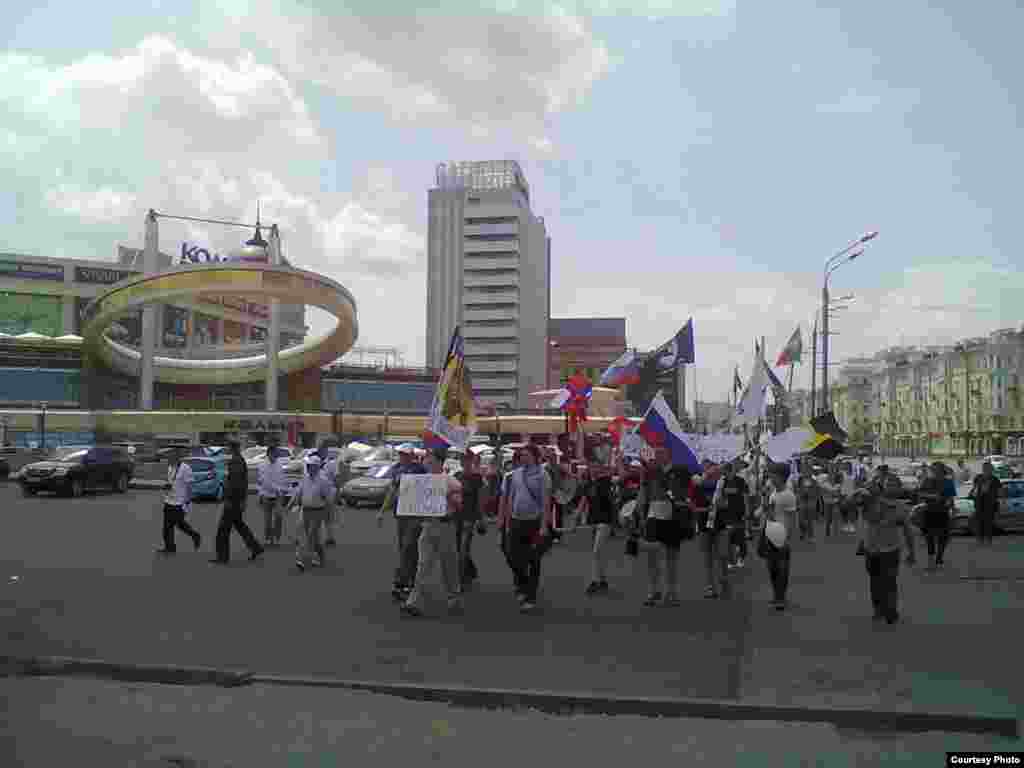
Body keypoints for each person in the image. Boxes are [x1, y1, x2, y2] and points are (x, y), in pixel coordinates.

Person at [401, 447, 464, 617]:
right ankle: (414, 602)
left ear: (438, 460)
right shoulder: (421, 481)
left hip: (445, 526)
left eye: (429, 458)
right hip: (428, 525)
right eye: (427, 458)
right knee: (423, 565)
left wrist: (448, 496)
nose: (426, 461)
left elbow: (459, 505)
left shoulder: (450, 481)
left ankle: (454, 597)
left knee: (448, 564)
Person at [855, 473, 917, 623]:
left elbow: (908, 531)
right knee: (875, 581)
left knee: (890, 581)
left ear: (899, 489)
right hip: (871, 549)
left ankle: (890, 610)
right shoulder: (870, 500)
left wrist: (912, 552)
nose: (890, 487)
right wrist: (861, 490)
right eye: (888, 484)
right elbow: (850, 504)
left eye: (894, 485)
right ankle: (878, 608)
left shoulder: (901, 508)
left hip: (891, 550)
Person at [502, 443, 552, 613]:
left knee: (533, 559)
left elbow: (546, 502)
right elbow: (510, 499)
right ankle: (523, 584)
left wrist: (544, 526)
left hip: (534, 521)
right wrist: (507, 522)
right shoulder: (515, 475)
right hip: (516, 520)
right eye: (522, 455)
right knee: (512, 556)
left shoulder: (542, 475)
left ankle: (530, 596)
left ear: (535, 456)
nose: (523, 458)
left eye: (526, 455)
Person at [636, 446, 689, 607]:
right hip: (653, 514)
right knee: (651, 554)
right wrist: (639, 511)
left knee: (671, 556)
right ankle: (654, 590)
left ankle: (671, 592)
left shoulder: (680, 471)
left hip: (673, 516)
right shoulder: (650, 472)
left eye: (662, 453)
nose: (658, 456)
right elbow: (644, 492)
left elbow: (688, 492)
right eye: (656, 453)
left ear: (669, 455)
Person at [379, 444, 428, 602]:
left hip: (415, 514)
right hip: (401, 514)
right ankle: (407, 580)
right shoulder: (397, 469)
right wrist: (382, 511)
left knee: (409, 547)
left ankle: (404, 581)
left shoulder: (420, 469)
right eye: (401, 454)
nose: (403, 457)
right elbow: (392, 491)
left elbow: (428, 489)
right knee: (404, 548)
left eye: (406, 454)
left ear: (412, 455)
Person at [211, 441, 263, 564]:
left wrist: (229, 497)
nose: (227, 450)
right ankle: (256, 548)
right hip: (237, 500)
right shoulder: (239, 460)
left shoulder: (235, 462)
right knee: (240, 526)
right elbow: (242, 482)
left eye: (228, 448)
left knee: (223, 530)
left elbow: (236, 484)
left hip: (233, 501)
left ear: (232, 449)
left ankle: (222, 557)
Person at [291, 455, 335, 571]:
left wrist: (330, 514)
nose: (310, 468)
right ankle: (321, 556)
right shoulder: (305, 478)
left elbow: (329, 498)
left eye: (312, 466)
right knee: (313, 538)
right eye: (308, 466)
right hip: (306, 510)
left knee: (310, 535)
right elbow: (299, 493)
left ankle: (301, 559)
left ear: (318, 467)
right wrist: (291, 504)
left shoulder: (323, 481)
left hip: (318, 511)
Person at [764, 464, 797, 610]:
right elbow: (770, 514)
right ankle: (776, 595)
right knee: (772, 568)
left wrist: (787, 538)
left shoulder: (788, 495)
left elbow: (791, 518)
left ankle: (781, 598)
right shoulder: (773, 493)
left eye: (773, 475)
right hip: (770, 533)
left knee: (782, 568)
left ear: (781, 477)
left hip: (781, 536)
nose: (770, 477)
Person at [157, 447, 201, 554]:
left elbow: (190, 486)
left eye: (170, 456)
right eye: (168, 456)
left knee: (180, 525)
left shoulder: (186, 468)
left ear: (177, 457)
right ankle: (170, 547)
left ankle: (195, 535)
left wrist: (187, 502)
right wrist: (166, 486)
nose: (168, 458)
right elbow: (171, 481)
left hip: (179, 502)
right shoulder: (170, 467)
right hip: (168, 501)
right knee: (167, 528)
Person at [583, 462, 616, 595]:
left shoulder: (606, 481)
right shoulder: (588, 484)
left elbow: (616, 474)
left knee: (597, 551)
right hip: (593, 520)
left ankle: (596, 581)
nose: (594, 469)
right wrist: (578, 514)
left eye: (597, 467)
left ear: (601, 469)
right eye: (592, 467)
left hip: (605, 520)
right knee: (598, 552)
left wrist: (617, 460)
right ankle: (602, 580)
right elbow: (585, 499)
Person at [454, 451, 485, 589]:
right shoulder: (456, 476)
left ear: (471, 460)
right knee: (457, 548)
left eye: (467, 459)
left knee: (463, 549)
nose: (465, 462)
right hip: (456, 516)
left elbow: (479, 499)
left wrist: (480, 518)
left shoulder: (477, 477)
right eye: (462, 459)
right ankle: (470, 571)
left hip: (470, 517)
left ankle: (460, 581)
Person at [918, 461, 954, 570]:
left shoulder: (948, 482)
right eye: (933, 470)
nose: (935, 472)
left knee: (944, 537)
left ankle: (939, 556)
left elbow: (951, 497)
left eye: (937, 470)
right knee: (929, 536)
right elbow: (920, 494)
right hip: (929, 511)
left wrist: (950, 504)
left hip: (943, 511)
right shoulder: (927, 481)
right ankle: (931, 559)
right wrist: (932, 496)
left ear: (942, 471)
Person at [258, 446, 288, 547]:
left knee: (279, 517)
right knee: (267, 519)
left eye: (276, 454)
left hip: (278, 496)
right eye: (273, 454)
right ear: (268, 454)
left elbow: (283, 479)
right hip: (266, 495)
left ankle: (276, 538)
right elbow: (263, 481)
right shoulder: (262, 465)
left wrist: (283, 491)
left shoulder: (280, 465)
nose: (275, 456)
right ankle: (268, 539)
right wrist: (276, 489)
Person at [970, 461, 1001, 546]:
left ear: (992, 470)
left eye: (990, 469)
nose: (988, 470)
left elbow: (999, 492)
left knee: (989, 523)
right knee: (979, 522)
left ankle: (988, 540)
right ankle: (979, 540)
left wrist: (997, 497)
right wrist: (975, 493)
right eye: (986, 469)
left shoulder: (995, 479)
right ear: (983, 469)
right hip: (979, 503)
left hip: (990, 504)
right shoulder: (978, 478)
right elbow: (975, 489)